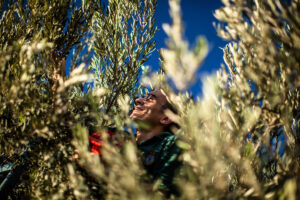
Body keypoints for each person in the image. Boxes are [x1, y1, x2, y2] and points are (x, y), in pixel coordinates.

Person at [130, 89, 182, 196]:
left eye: (150, 98)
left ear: (166, 118)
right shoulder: (118, 138)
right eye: (143, 97)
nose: (138, 100)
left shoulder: (172, 145)